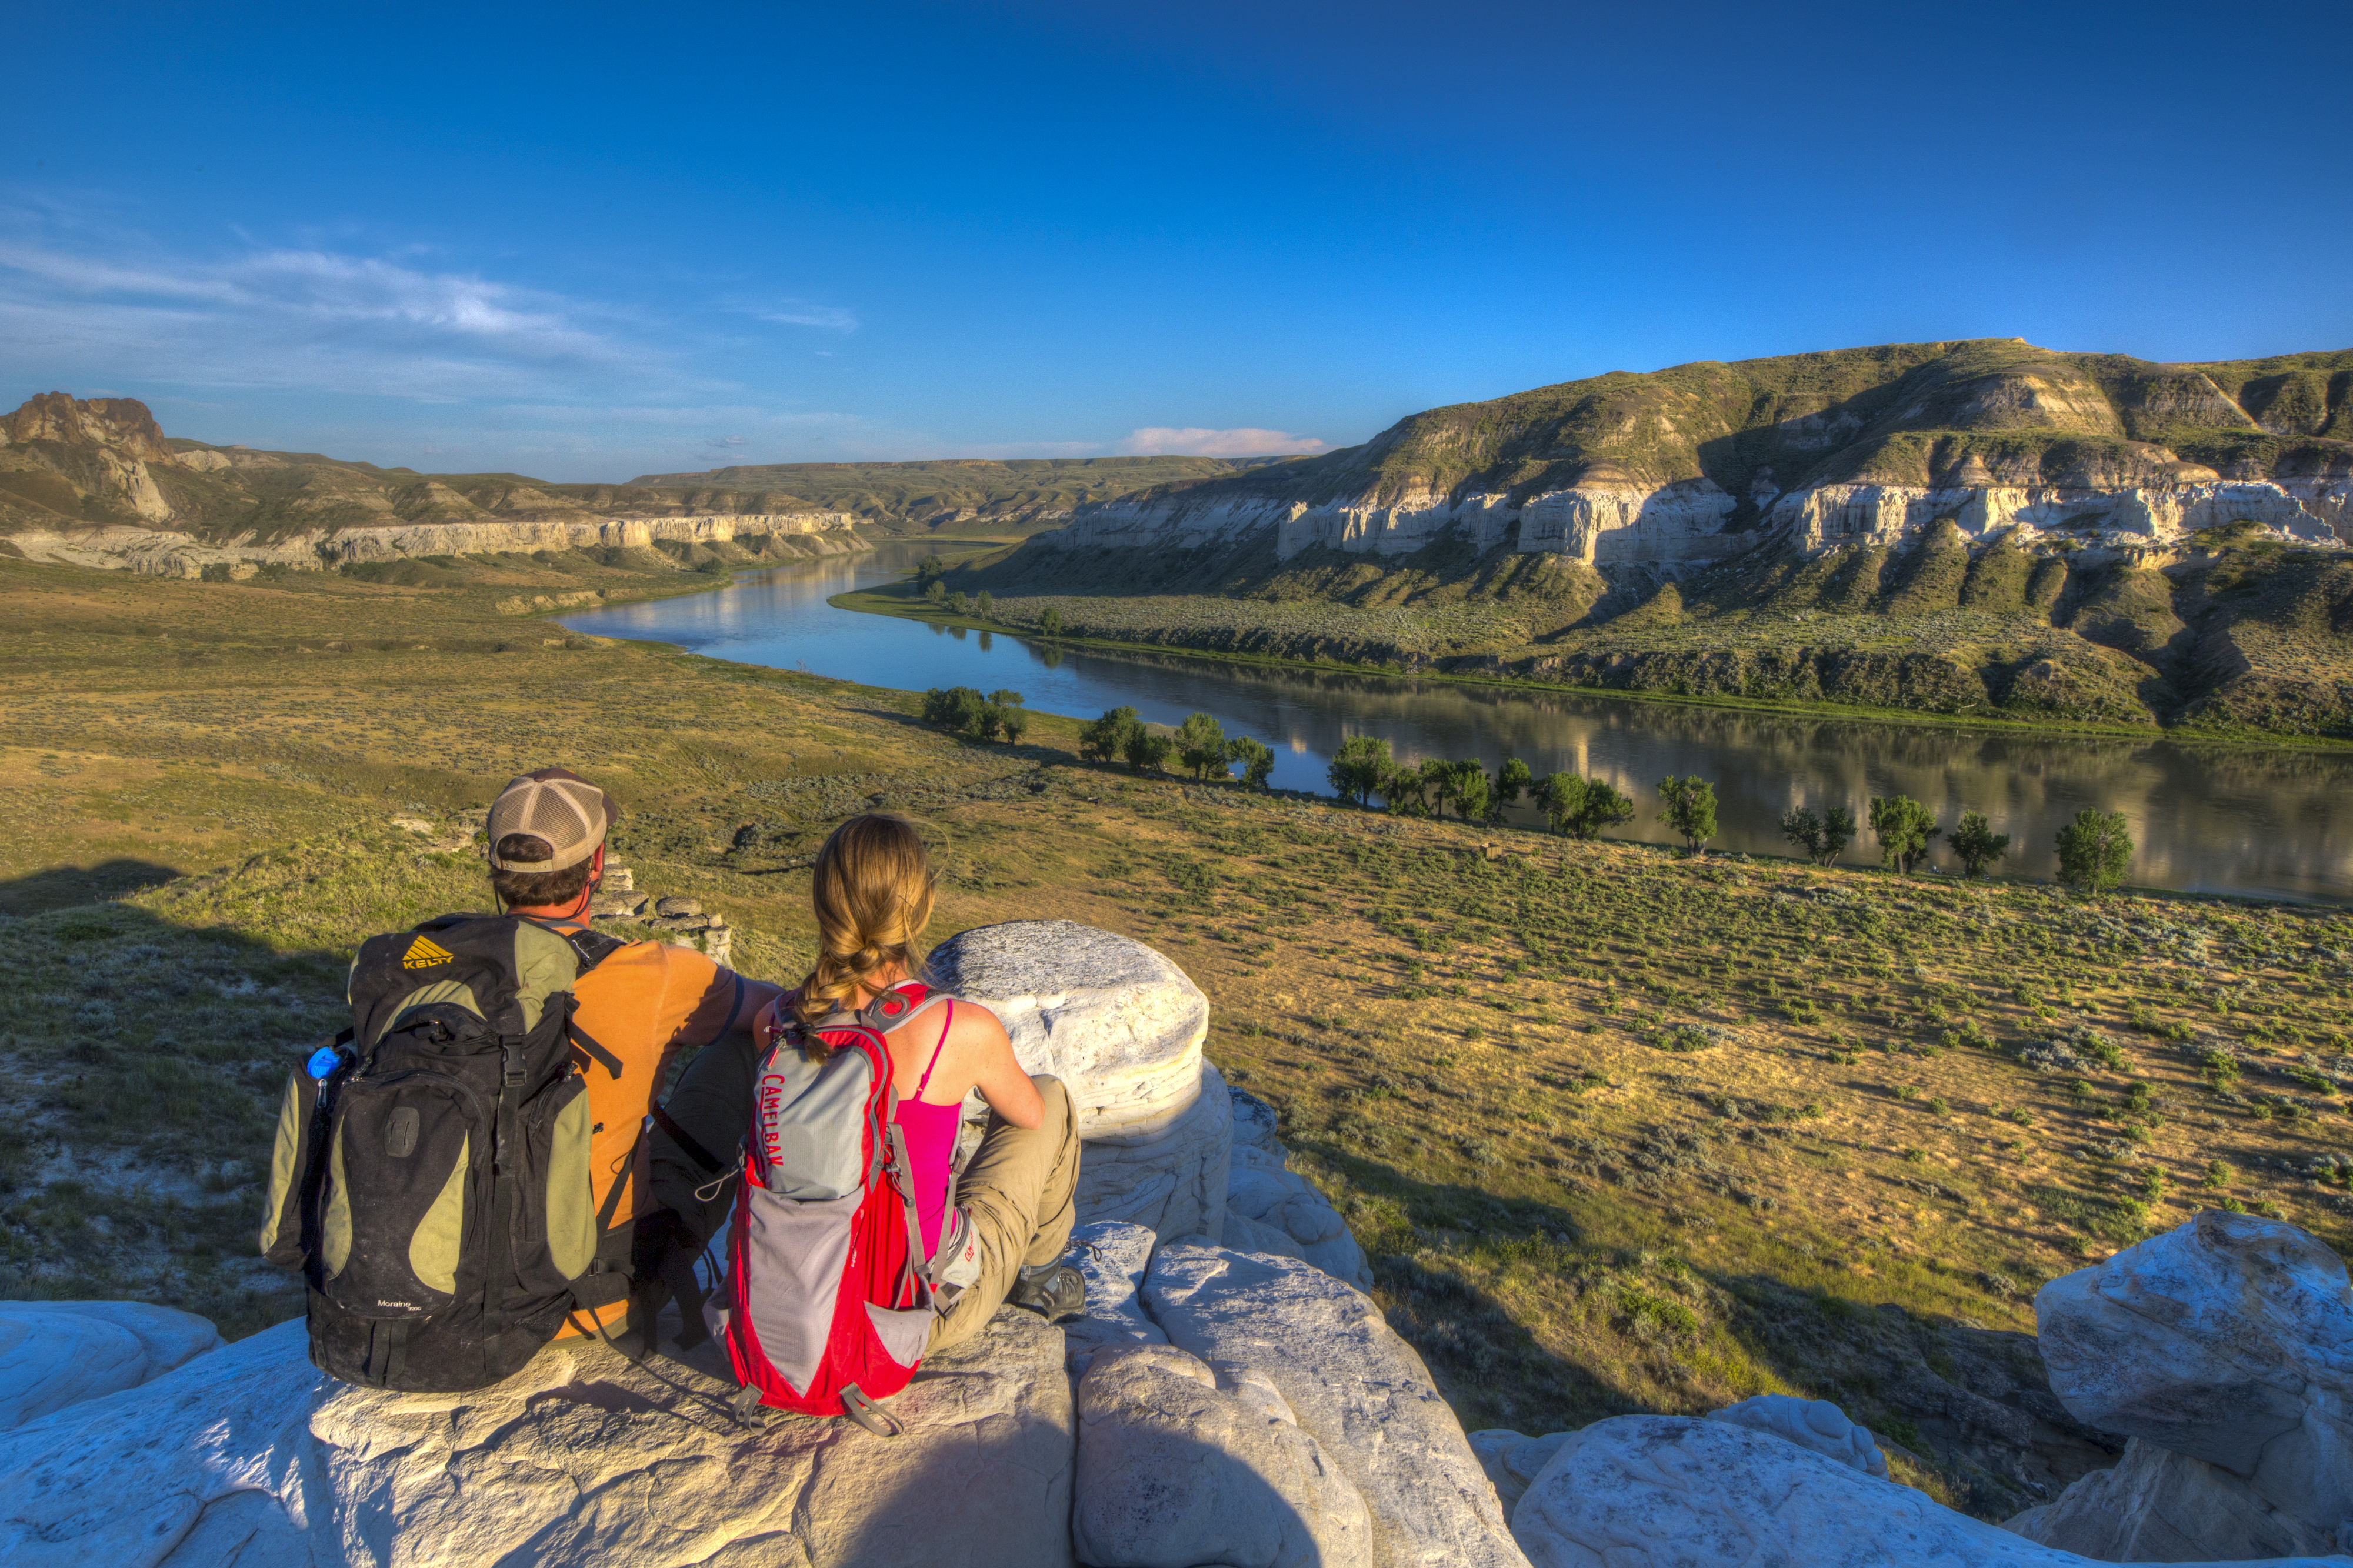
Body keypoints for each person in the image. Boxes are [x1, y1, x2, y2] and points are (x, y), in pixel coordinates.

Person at [651, 812, 1084, 1352]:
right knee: (1049, 1097)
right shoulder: (961, 1027)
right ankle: (1041, 1280)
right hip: (912, 1316)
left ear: (824, 907)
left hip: (794, 1307)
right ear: (920, 909)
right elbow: (1030, 1118)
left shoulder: (778, 1025)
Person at [483, 766, 780, 1350]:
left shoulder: (420, 963)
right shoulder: (652, 974)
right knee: (745, 1041)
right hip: (587, 1303)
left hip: (440, 1294)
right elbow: (782, 1010)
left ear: (496, 868)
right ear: (596, 865)